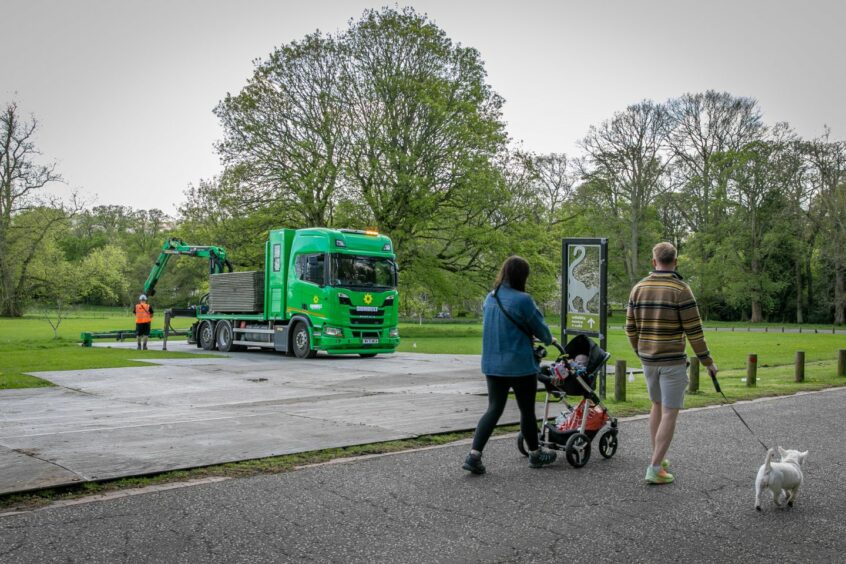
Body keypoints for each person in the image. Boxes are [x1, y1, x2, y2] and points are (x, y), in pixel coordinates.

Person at [625, 242, 718, 485]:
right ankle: (655, 468)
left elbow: (630, 328)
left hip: (648, 360)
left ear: (654, 261)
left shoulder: (639, 288)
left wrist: (639, 349)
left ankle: (658, 457)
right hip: (672, 361)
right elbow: (694, 332)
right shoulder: (681, 289)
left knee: (656, 405)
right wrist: (708, 361)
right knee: (669, 412)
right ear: (675, 262)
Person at [463, 255, 558, 475]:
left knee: (494, 408)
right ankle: (535, 454)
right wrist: (548, 339)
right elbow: (539, 327)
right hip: (519, 364)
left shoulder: (490, 297)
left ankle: (474, 455)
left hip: (492, 363)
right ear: (522, 276)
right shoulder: (523, 300)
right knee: (526, 410)